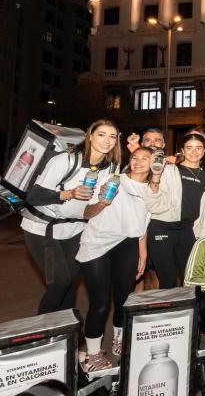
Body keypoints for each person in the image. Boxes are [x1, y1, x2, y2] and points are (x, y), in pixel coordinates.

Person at [24, 119, 121, 314]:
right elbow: (33, 196)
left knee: (70, 283)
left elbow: (88, 212)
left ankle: (68, 335)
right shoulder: (65, 160)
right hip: (43, 227)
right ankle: (42, 334)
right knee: (60, 282)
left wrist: (102, 202)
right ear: (90, 136)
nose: (107, 141)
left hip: (76, 229)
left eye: (112, 136)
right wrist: (70, 193)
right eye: (101, 134)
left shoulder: (111, 168)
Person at [77, 148, 152, 372]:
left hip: (127, 245)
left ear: (152, 163)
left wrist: (143, 252)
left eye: (144, 159)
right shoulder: (112, 179)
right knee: (100, 302)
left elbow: (143, 225)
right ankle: (92, 354)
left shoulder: (151, 190)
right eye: (135, 157)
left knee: (123, 298)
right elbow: (86, 213)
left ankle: (120, 338)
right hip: (97, 243)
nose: (138, 162)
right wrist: (101, 203)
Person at [143, 133, 205, 288]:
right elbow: (152, 203)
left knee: (191, 279)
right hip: (161, 227)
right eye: (189, 148)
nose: (194, 152)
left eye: (198, 148)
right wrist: (156, 178)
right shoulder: (168, 170)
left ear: (204, 151)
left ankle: (190, 312)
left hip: (186, 230)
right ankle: (168, 312)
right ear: (182, 151)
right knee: (168, 280)